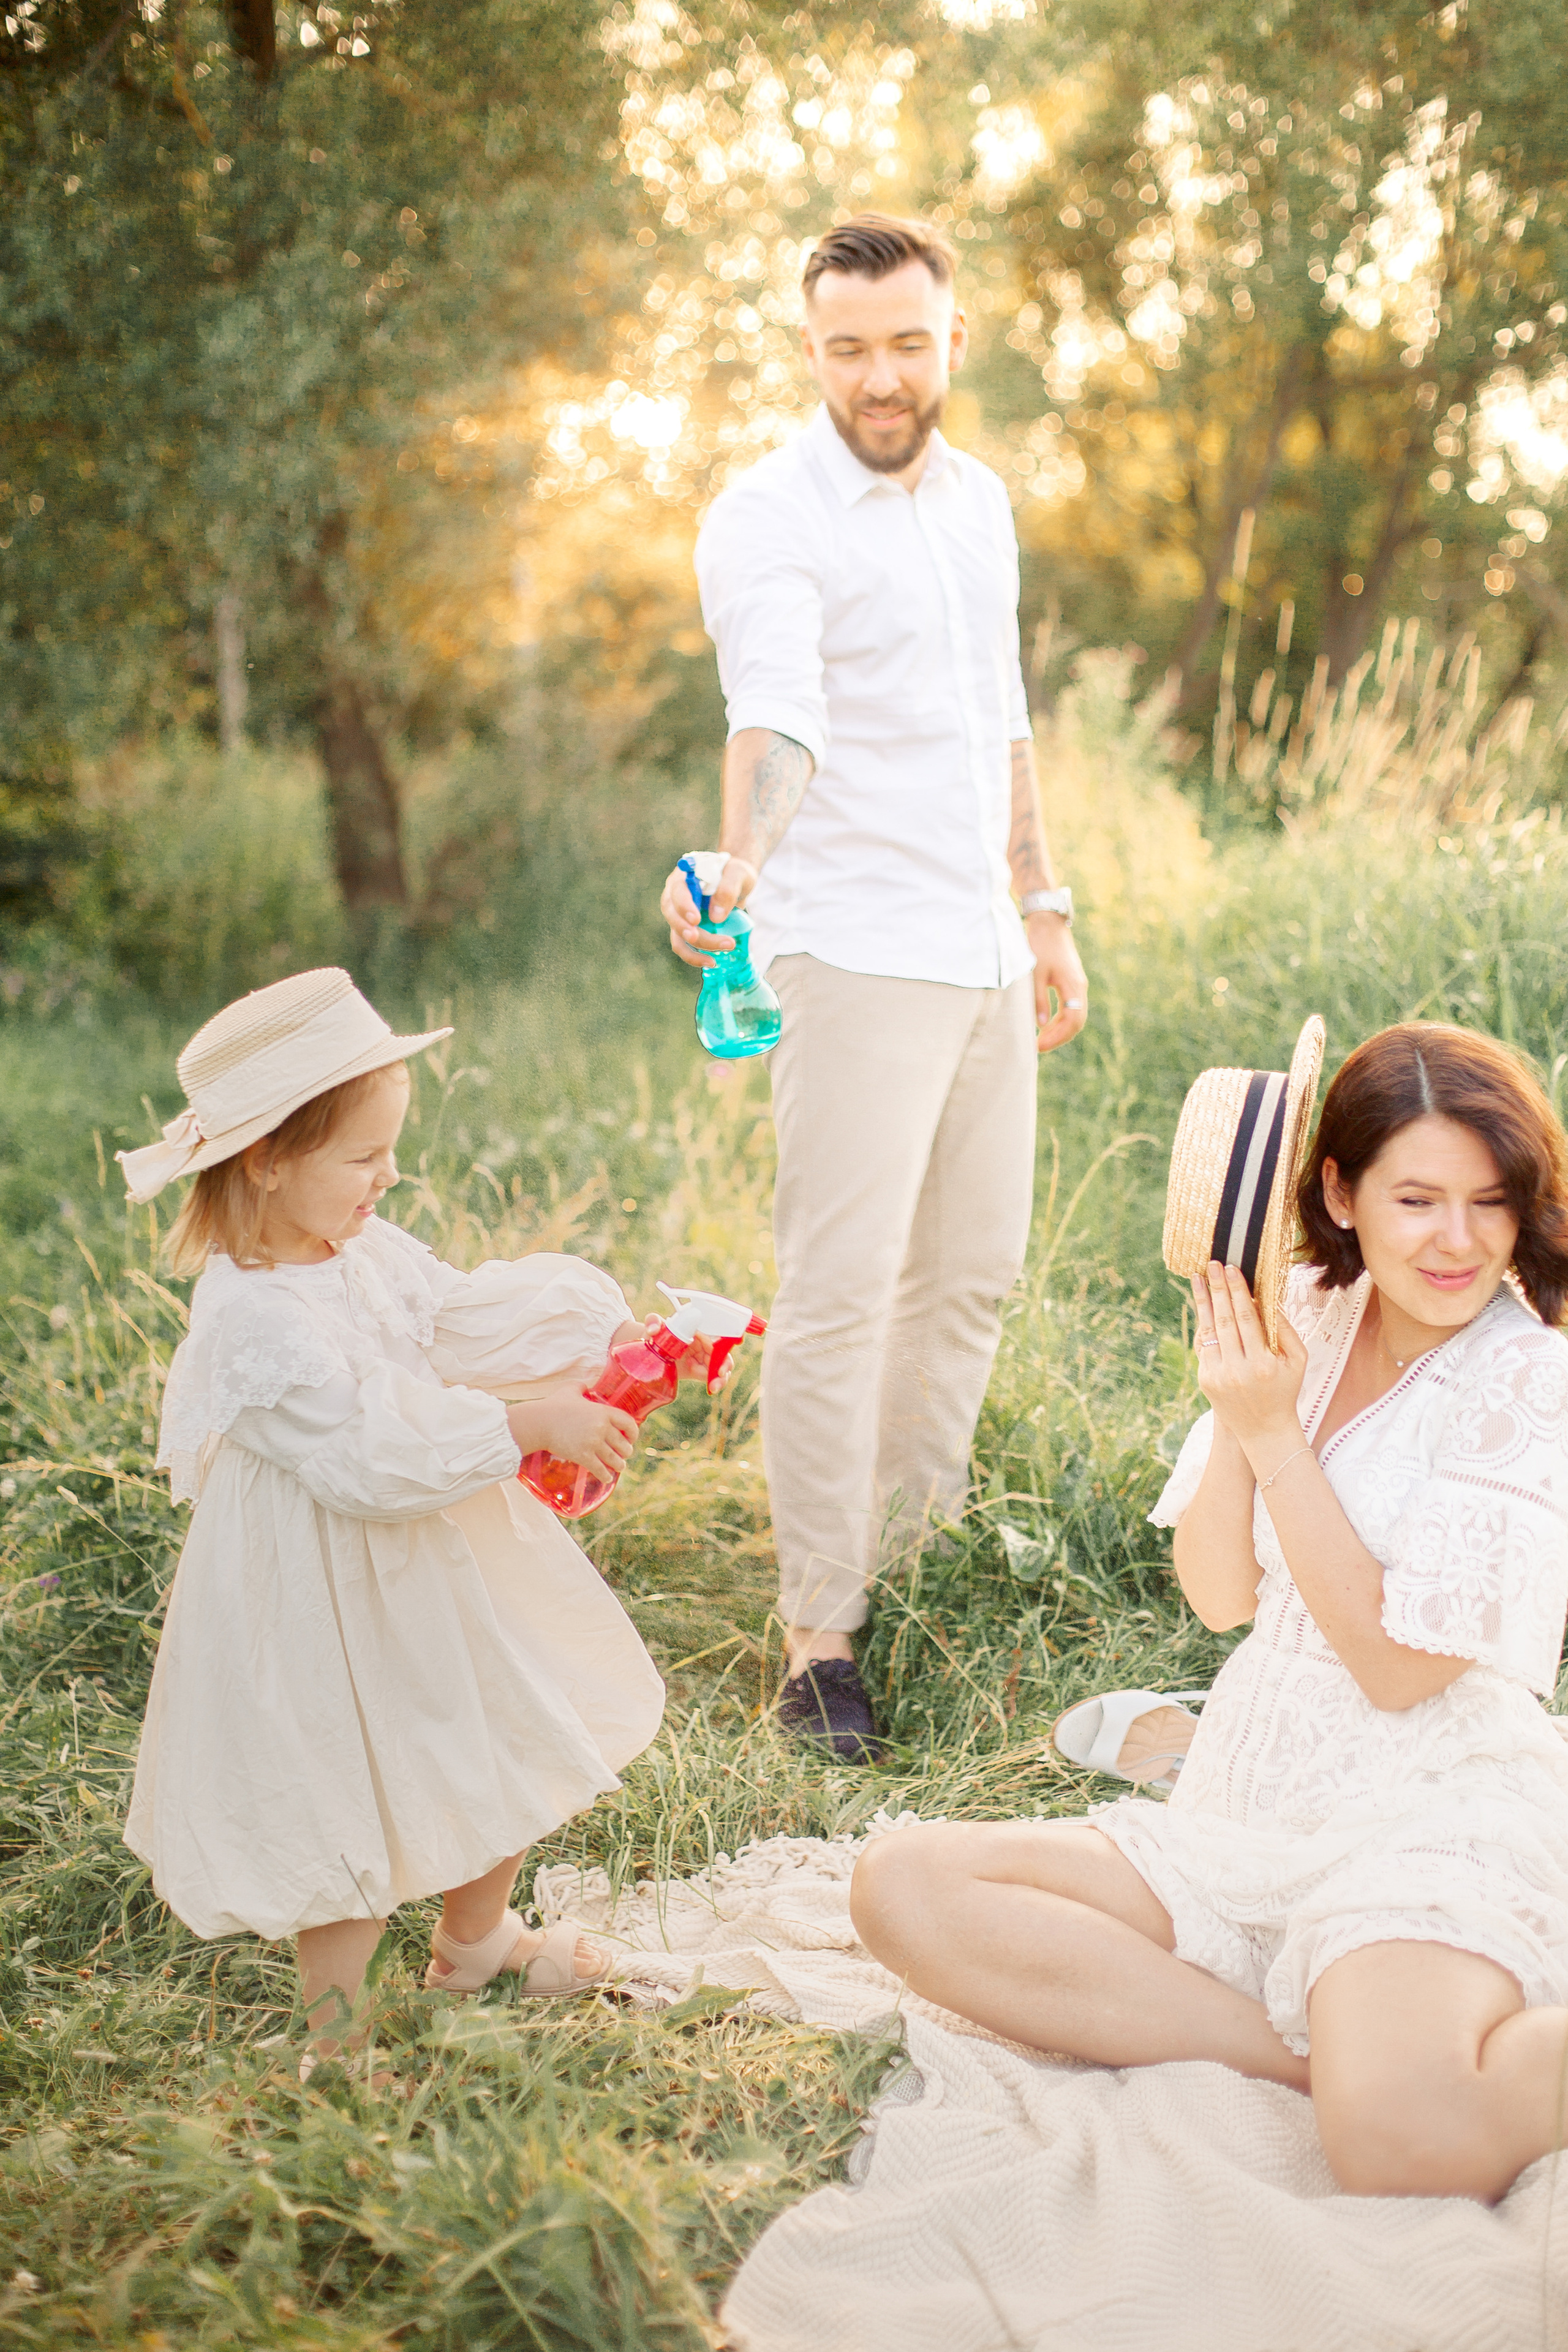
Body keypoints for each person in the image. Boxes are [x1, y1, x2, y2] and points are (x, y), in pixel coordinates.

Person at [851, 1022, 1568, 2202]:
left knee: (1402, 2147)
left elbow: (1401, 1672)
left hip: (1426, 1809)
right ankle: (1298, 2063)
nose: (1459, 1240)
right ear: (1338, 1194)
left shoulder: (1528, 1375)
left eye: (1490, 1203)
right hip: (1245, 1799)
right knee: (904, 1884)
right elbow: (1221, 1596)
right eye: (1418, 1200)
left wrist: (1275, 1433)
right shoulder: (1309, 1313)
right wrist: (1245, 1412)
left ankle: (1366, 2063)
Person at [119, 967, 721, 2070]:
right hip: (318, 1586)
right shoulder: (252, 1315)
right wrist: (525, 1425)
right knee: (339, 1794)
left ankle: (475, 1940)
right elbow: (364, 1456)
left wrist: (594, 1341)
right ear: (267, 1160)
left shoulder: (359, 1246)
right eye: (365, 1157)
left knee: (505, 1725)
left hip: (429, 1556)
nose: (389, 1176)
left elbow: (450, 1315)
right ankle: (335, 2038)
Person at [660, 213, 1088, 1759]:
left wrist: (1040, 905)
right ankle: (819, 1641)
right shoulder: (765, 517)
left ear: (950, 339)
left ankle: (918, 1574)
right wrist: (738, 862)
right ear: (810, 350)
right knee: (842, 1296)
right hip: (849, 948)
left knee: (967, 1276)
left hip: (980, 946)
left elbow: (1001, 721)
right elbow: (777, 711)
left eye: (906, 344)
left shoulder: (979, 504)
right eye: (847, 349)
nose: (880, 377)